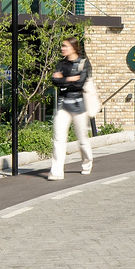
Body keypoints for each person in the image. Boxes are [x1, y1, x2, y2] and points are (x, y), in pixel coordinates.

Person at [48, 37, 94, 181]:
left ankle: (87, 163)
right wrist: (69, 79)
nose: (62, 48)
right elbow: (54, 80)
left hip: (78, 105)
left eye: (65, 46)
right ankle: (56, 172)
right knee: (58, 139)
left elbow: (80, 83)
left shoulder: (83, 63)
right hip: (63, 105)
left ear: (73, 48)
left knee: (82, 139)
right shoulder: (61, 64)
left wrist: (64, 79)